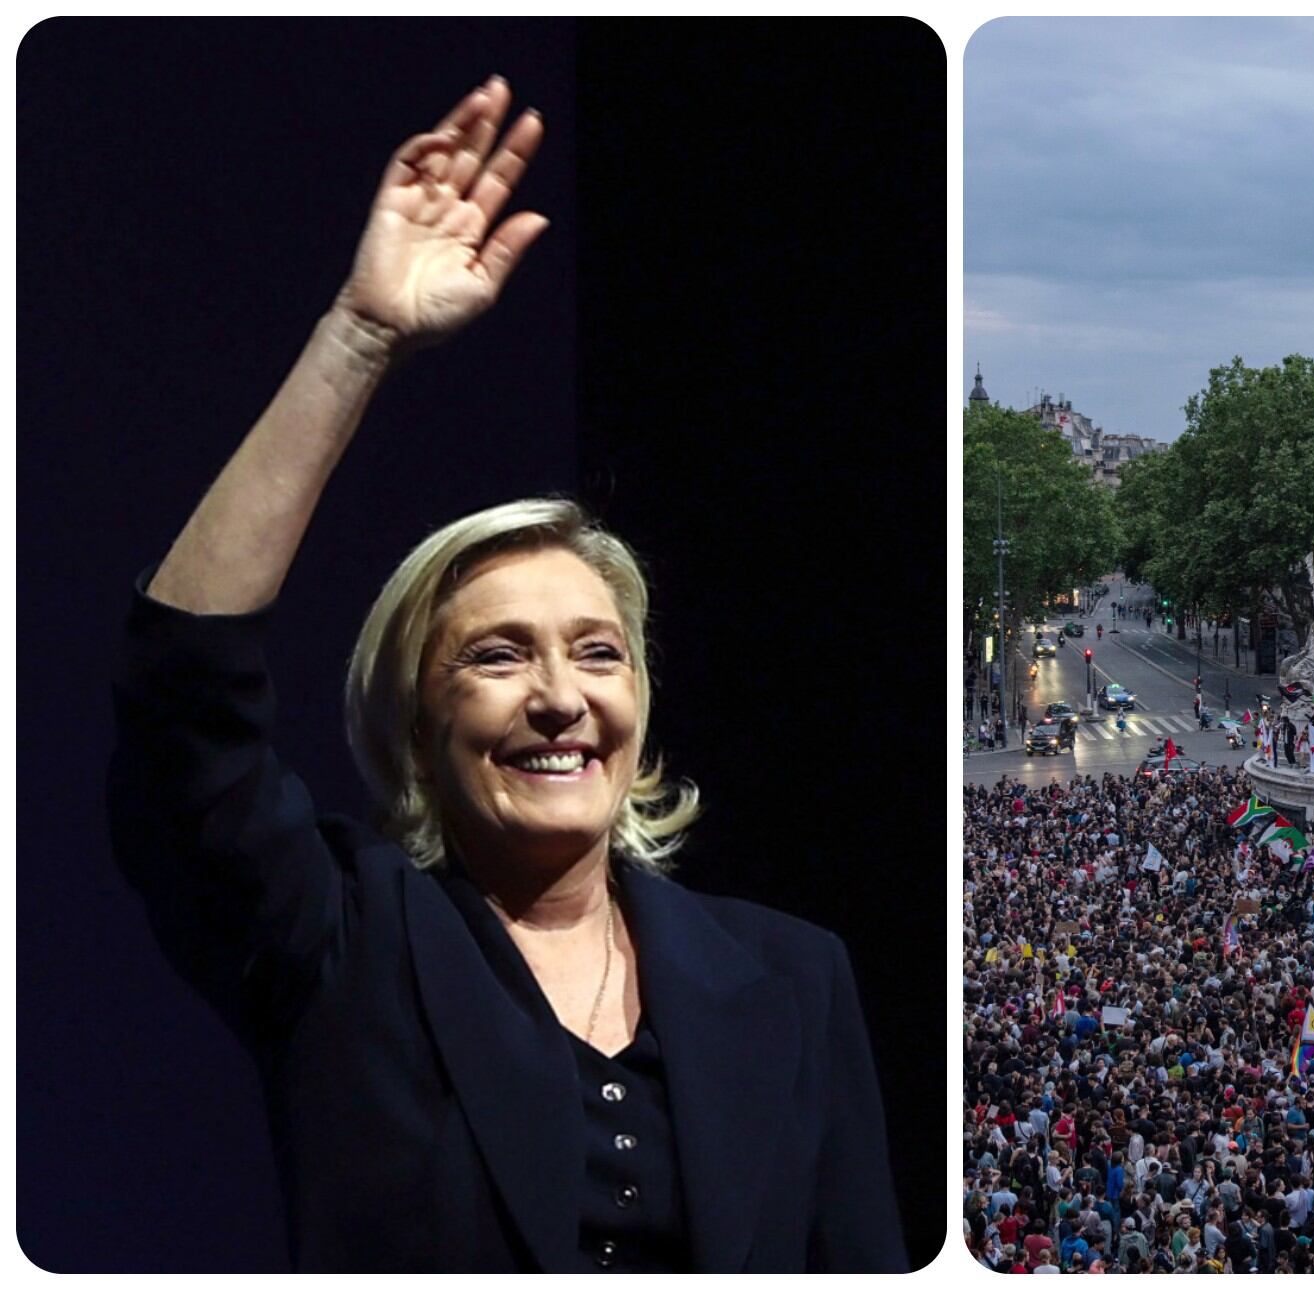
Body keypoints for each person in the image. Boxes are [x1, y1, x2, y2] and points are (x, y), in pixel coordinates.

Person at [107, 81, 904, 1273]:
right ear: (416, 719)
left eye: (597, 651)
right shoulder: (338, 943)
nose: (560, 697)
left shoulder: (794, 976)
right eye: (496, 655)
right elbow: (183, 699)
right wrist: (358, 339)